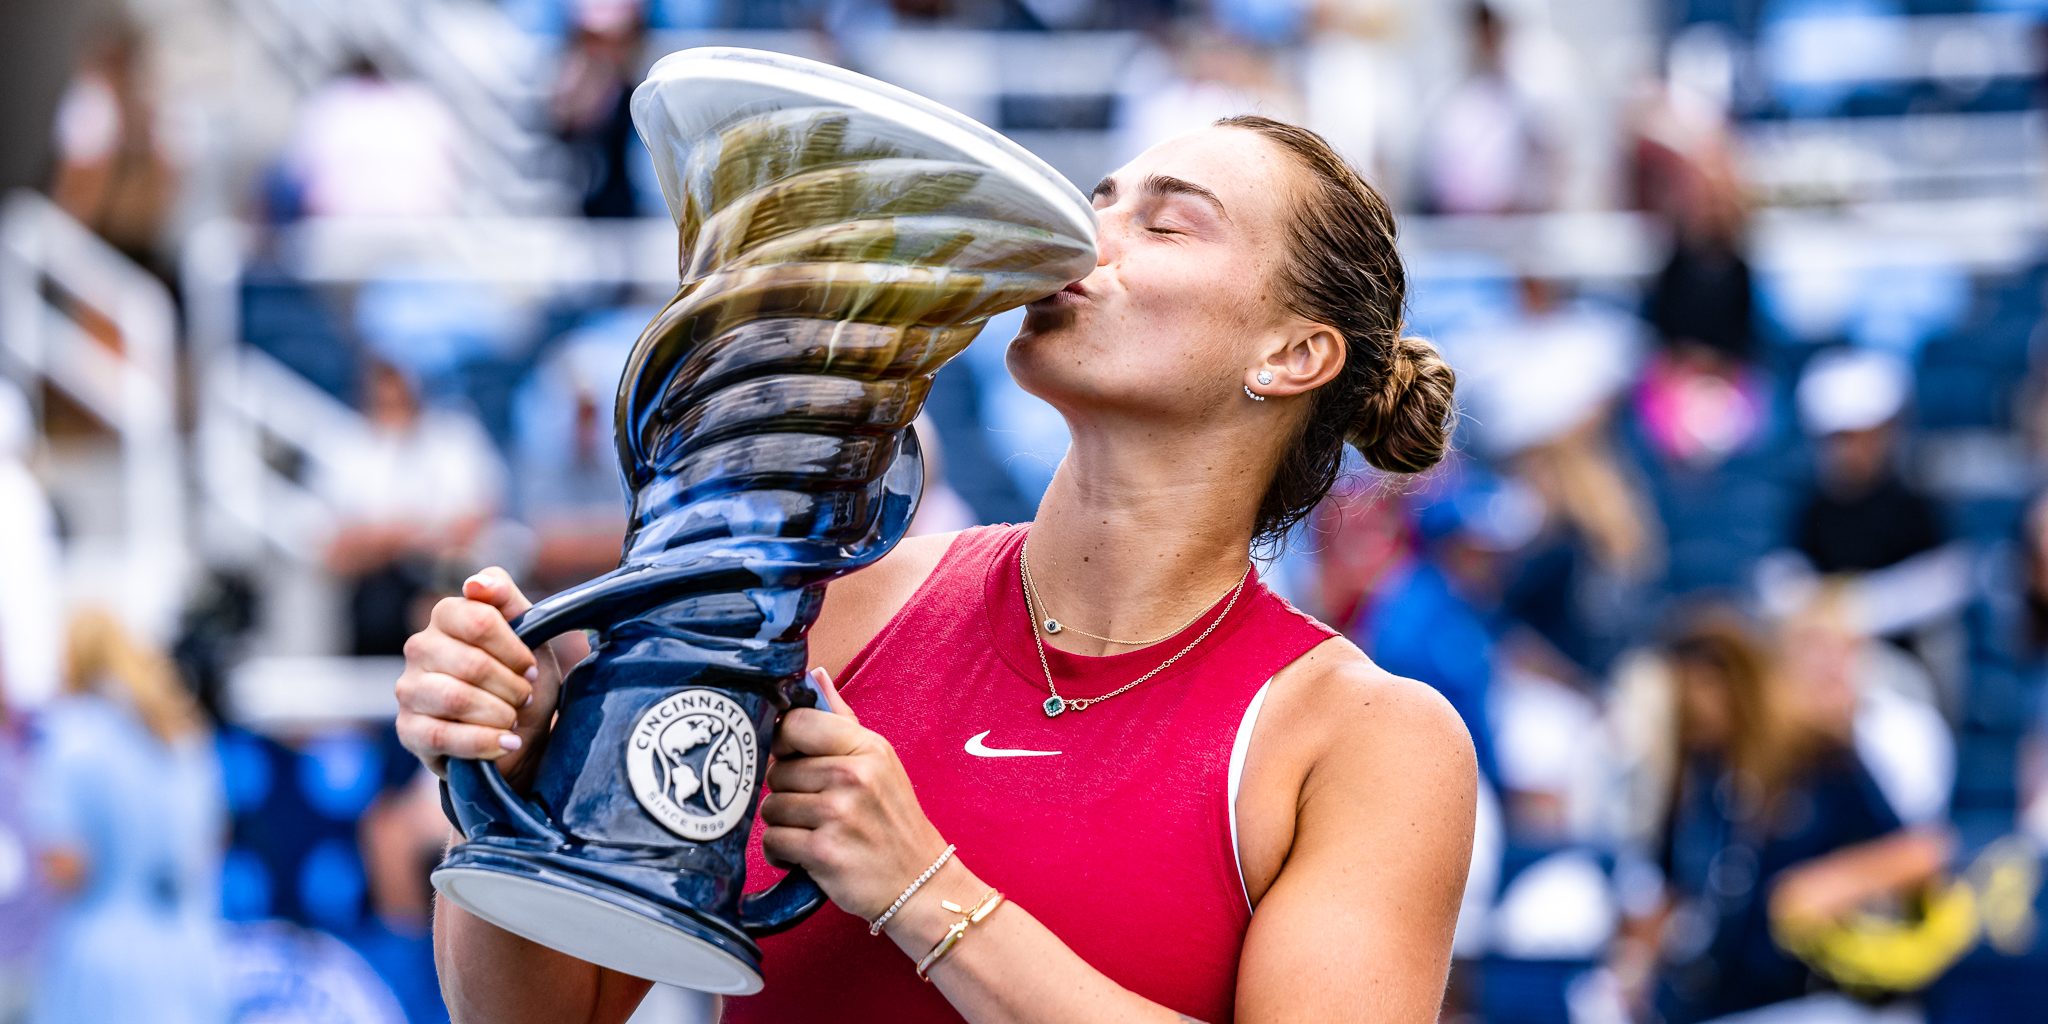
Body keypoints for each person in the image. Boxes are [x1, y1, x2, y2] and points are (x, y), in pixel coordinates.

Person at [396, 115, 1477, 1022]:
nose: (1080, 239)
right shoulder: (831, 602)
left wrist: (924, 890)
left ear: (1291, 355)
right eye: (1097, 202)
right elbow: (545, 1011)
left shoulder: (1368, 739)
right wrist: (506, 773)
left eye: (1164, 223)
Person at [1612, 607, 1950, 1024]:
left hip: (1810, 997)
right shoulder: (1697, 777)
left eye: (1703, 686)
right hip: (1709, 1001)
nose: (1694, 706)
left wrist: (1835, 881)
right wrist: (1634, 967)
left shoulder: (1817, 758)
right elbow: (1665, 886)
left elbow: (1923, 853)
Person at [25, 610, 226, 1024]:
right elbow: (211, 843)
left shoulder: (73, 734)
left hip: (101, 969)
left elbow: (68, 866)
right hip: (189, 952)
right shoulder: (184, 735)